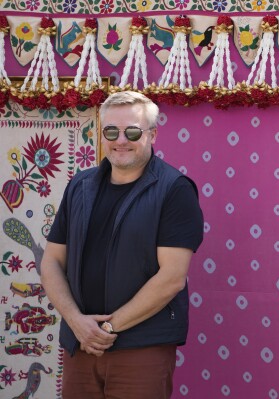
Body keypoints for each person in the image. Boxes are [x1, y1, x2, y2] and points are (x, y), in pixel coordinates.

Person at [40, 91, 204, 399]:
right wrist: (77, 323)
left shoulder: (175, 190)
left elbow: (171, 279)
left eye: (132, 132)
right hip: (80, 343)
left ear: (152, 134)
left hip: (141, 346)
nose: (120, 141)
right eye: (111, 131)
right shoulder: (80, 185)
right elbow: (51, 262)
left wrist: (107, 329)